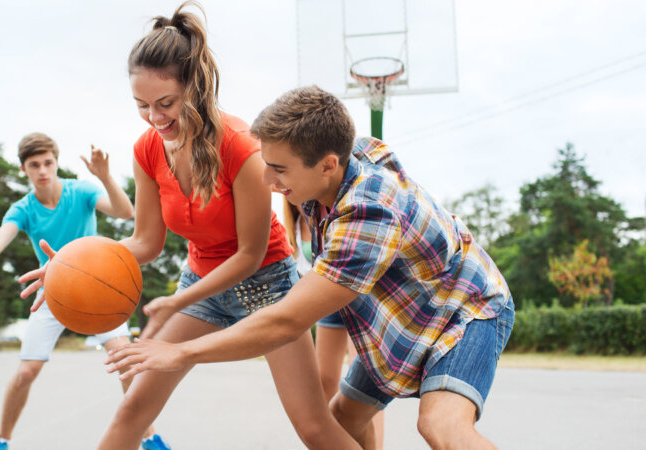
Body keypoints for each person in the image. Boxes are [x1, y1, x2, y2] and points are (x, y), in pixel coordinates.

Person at [19, 3, 360, 449]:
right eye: (141, 106)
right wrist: (72, 265)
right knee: (133, 409)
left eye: (166, 104)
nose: (155, 118)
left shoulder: (241, 146)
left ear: (194, 89)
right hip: (199, 282)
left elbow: (248, 255)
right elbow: (145, 242)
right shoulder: (147, 148)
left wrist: (176, 301)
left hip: (267, 285)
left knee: (312, 426)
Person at [107, 86, 516, 449]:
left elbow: (282, 322)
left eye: (279, 169)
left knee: (439, 426)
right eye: (267, 163)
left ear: (326, 165)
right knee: (340, 421)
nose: (267, 180)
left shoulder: (366, 218)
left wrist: (181, 352)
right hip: (401, 320)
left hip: (463, 311)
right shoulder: (345, 156)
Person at [0, 133, 168, 450]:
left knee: (124, 359)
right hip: (52, 293)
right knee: (25, 373)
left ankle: (150, 438)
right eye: (35, 165)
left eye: (48, 162)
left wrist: (104, 176)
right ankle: (1, 440)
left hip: (96, 288)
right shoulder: (24, 208)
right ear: (24, 169)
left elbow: (124, 211)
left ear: (56, 162)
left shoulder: (81, 191)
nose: (43, 170)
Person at [283, 198, 386, 449]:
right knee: (325, 379)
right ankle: (341, 441)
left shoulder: (329, 208)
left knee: (362, 381)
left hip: (357, 297)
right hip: (326, 304)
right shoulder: (294, 225)